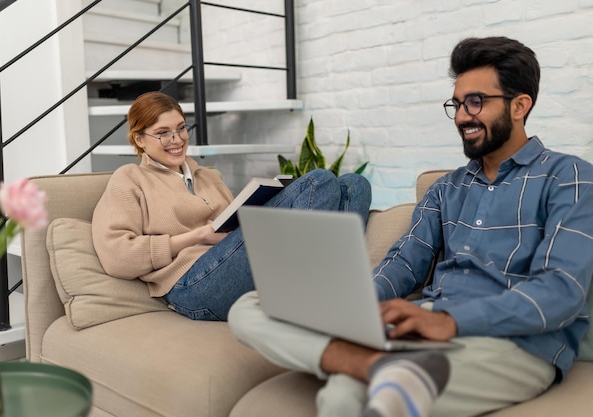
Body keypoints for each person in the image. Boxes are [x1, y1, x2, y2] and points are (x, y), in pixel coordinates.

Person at [228, 36, 593, 417]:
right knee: (251, 305)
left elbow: (560, 291)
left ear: (520, 105)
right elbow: (403, 264)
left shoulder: (570, 178)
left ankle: (375, 369)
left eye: (476, 102)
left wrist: (448, 321)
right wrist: (355, 308)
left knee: (343, 398)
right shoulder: (446, 189)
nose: (462, 116)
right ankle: (371, 364)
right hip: (424, 333)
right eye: (457, 104)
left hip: (517, 344)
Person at [91, 91, 372, 322]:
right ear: (139, 140)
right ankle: (312, 293)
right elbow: (116, 257)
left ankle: (324, 291)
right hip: (192, 285)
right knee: (317, 181)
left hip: (232, 264)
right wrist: (198, 236)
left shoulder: (209, 175)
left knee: (355, 184)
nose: (177, 140)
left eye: (180, 129)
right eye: (163, 133)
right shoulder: (130, 179)